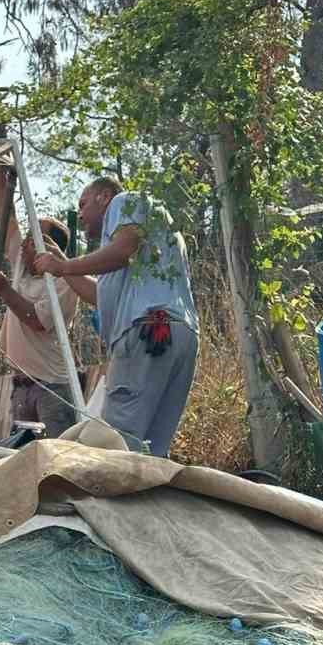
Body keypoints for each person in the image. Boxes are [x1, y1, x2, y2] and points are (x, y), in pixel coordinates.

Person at [30, 178, 198, 458]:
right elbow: (99, 294)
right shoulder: (148, 242)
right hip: (176, 334)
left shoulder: (125, 203)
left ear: (104, 197)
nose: (80, 215)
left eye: (83, 204)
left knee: (117, 442)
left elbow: (123, 250)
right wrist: (62, 267)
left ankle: (112, 501)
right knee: (153, 449)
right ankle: (150, 499)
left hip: (147, 333)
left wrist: (65, 265)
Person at [0, 166, 81, 438]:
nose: (26, 241)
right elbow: (5, 218)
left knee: (57, 457)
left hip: (52, 387)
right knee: (24, 457)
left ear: (51, 247)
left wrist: (5, 290)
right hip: (21, 385)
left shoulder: (65, 281)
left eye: (35, 237)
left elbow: (37, 321)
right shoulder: (22, 263)